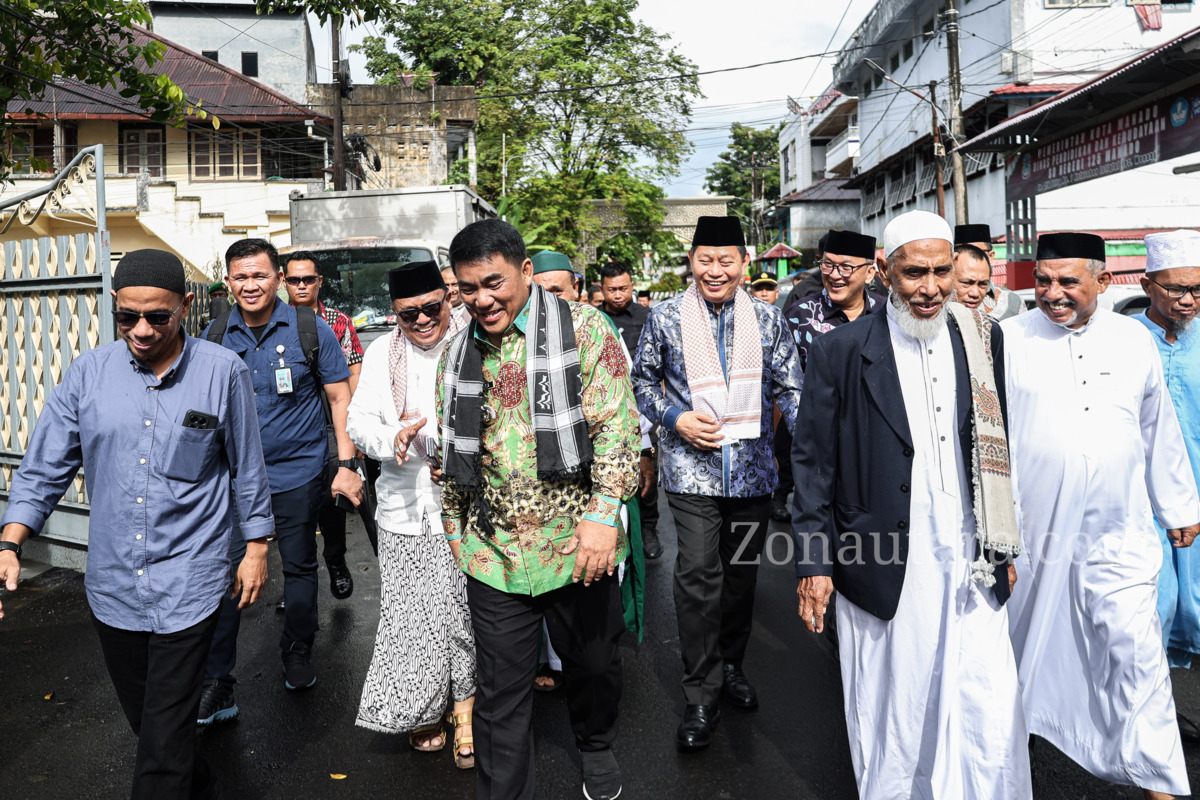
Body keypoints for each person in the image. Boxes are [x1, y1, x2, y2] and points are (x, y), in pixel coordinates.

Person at [0, 249, 274, 799]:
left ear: (187, 308)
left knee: (163, 742)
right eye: (128, 317)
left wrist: (257, 547)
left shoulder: (223, 373)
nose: (142, 330)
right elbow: (45, 466)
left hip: (190, 582)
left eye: (157, 317)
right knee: (152, 728)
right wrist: (10, 542)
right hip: (115, 585)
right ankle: (198, 784)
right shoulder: (88, 375)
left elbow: (247, 466)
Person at [792, 210, 1031, 799]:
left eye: (941, 272)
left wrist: (1000, 540)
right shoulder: (843, 351)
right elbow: (813, 465)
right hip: (882, 555)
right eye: (914, 272)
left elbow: (994, 444)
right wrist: (815, 564)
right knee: (895, 703)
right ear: (883, 271)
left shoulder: (983, 338)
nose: (930, 288)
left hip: (972, 550)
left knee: (987, 696)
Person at [437, 219, 640, 800]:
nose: (482, 300)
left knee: (595, 666)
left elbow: (619, 431)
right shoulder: (457, 354)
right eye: (468, 289)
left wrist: (604, 517)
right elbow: (452, 458)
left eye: (494, 283)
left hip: (580, 545)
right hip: (494, 553)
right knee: (500, 694)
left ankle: (596, 745)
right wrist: (455, 531)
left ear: (526, 272)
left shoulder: (585, 330)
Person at [1003, 231, 1200, 800]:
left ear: (1103, 281)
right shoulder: (1009, 339)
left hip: (1122, 533)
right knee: (1023, 651)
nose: (1053, 293)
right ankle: (1014, 758)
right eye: (1043, 281)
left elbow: (1156, 427)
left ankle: (1161, 785)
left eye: (1068, 282)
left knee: (1136, 652)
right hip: (1035, 536)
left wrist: (1179, 504)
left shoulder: (1131, 341)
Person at [632, 216, 801, 751]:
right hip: (690, 472)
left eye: (726, 260)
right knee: (698, 576)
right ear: (692, 262)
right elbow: (640, 381)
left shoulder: (771, 322)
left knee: (741, 579)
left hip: (753, 475)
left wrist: (819, 451)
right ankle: (700, 692)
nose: (715, 270)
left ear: (744, 264)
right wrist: (674, 418)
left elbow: (791, 389)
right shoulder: (664, 318)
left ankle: (731, 666)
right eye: (705, 259)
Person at [199, 238, 363, 723]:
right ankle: (219, 682)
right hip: (233, 479)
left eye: (260, 275)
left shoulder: (309, 329)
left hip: (297, 471)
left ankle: (296, 650)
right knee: (226, 573)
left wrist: (345, 464)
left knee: (297, 566)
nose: (250, 285)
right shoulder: (212, 336)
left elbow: (338, 399)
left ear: (277, 278)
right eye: (240, 277)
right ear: (228, 282)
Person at [347, 260, 476, 767]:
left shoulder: (476, 342)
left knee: (465, 611)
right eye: (407, 314)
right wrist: (391, 439)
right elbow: (359, 422)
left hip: (472, 506)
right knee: (411, 613)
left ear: (449, 299)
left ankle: (465, 707)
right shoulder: (383, 352)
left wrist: (457, 454)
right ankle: (424, 706)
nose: (422, 321)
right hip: (405, 506)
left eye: (430, 308)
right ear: (394, 314)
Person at [1136, 230, 1200, 742]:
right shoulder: (1125, 341)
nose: (1187, 299)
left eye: (1198, 289)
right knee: (1154, 608)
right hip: (1144, 503)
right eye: (1176, 288)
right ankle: (1152, 720)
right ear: (1147, 285)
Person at [774, 230, 885, 521]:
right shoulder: (800, 317)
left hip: (877, 450)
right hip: (820, 451)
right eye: (828, 264)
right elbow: (785, 387)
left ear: (870, 271)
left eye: (846, 267)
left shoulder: (888, 316)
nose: (835, 275)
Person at [283, 250, 365, 601]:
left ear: (319, 281)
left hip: (332, 424)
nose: (301, 285)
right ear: (283, 282)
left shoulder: (339, 322)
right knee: (294, 505)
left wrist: (353, 425)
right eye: (294, 279)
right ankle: (297, 579)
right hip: (289, 425)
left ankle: (335, 559)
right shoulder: (275, 321)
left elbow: (355, 371)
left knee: (332, 495)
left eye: (308, 279)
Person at [599, 261, 662, 561]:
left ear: (632, 286)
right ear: (601, 289)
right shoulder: (595, 319)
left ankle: (649, 529)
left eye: (623, 288)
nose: (618, 295)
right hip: (608, 406)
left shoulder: (646, 316)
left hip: (643, 405)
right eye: (611, 289)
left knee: (646, 473)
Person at [952, 225, 1024, 321]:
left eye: (978, 253)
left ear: (990, 256)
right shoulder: (937, 305)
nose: (975, 293)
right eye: (966, 283)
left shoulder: (1013, 301)